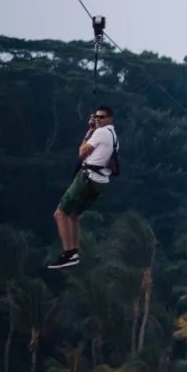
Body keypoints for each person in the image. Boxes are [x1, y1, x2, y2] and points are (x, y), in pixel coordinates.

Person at [48, 106, 119, 269]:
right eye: (96, 117)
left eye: (102, 117)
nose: (98, 119)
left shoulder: (100, 133)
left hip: (87, 178)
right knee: (73, 215)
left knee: (60, 214)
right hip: (100, 183)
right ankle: (73, 252)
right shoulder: (113, 135)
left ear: (109, 119)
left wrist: (89, 131)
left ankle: (68, 254)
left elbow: (82, 152)